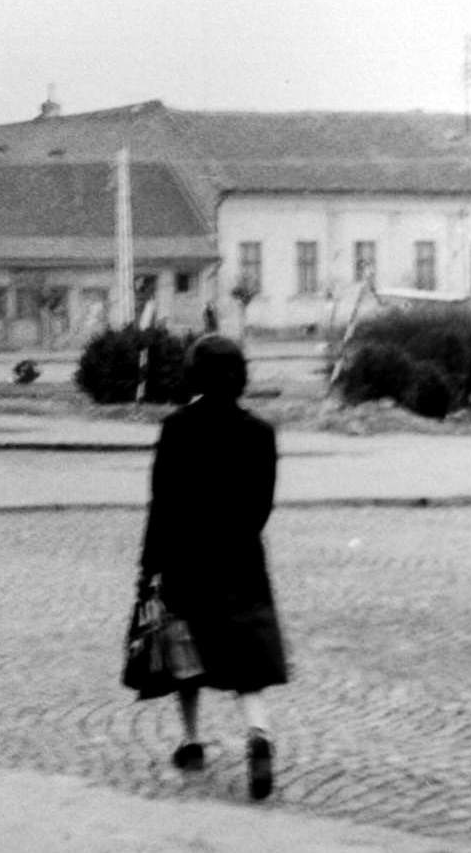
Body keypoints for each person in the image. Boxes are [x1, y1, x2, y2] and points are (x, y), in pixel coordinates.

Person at [136, 335, 288, 800]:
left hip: (186, 559)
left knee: (185, 651)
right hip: (241, 560)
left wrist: (150, 566)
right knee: (247, 658)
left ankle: (191, 741)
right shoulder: (260, 433)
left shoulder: (177, 428)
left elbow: (162, 502)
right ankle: (258, 732)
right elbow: (262, 506)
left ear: (194, 375)